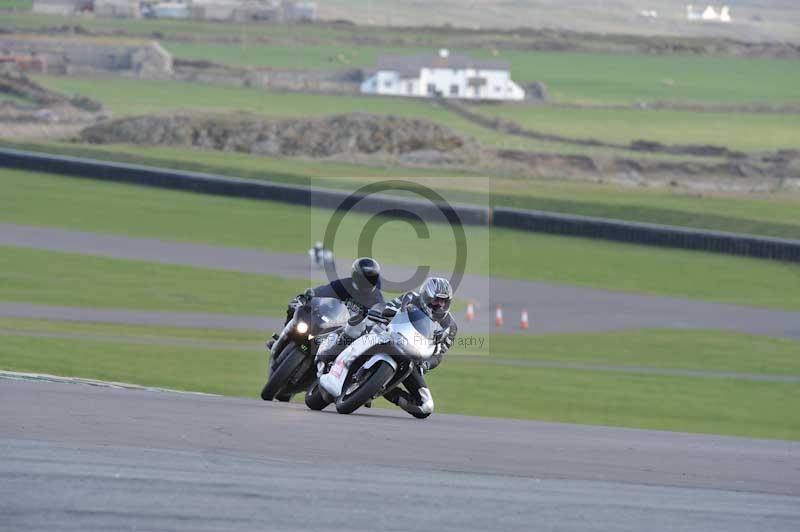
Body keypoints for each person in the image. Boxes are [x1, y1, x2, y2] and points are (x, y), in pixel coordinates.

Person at [267, 257, 385, 353]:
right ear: (355, 275)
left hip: (345, 333)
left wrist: (373, 323)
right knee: (296, 308)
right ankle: (281, 340)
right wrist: (309, 295)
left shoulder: (376, 299)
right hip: (330, 319)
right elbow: (323, 290)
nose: (365, 282)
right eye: (362, 278)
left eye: (369, 279)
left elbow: (378, 321)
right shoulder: (344, 284)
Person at [380, 277, 458, 418]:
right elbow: (388, 308)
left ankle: (385, 391)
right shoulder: (410, 298)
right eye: (436, 300)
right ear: (426, 296)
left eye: (444, 301)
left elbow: (439, 354)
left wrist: (426, 364)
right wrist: (387, 315)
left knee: (426, 407)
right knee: (364, 328)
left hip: (413, 359)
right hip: (389, 339)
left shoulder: (450, 327)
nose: (440, 305)